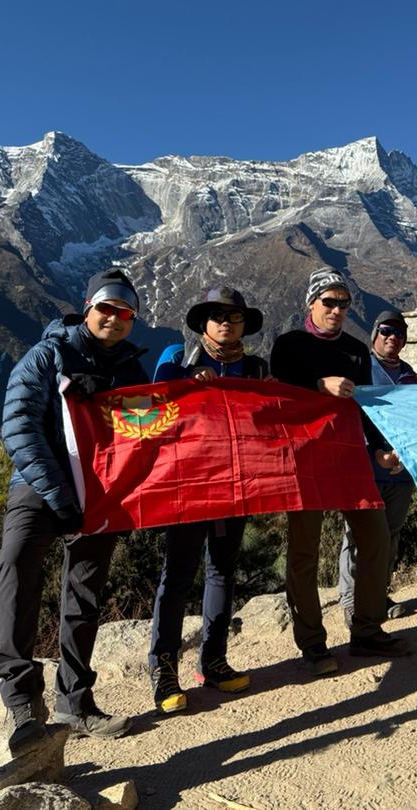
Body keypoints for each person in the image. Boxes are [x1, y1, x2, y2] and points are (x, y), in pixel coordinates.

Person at [0, 269, 148, 757]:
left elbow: (144, 436)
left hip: (100, 496)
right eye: (107, 308)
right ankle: (22, 706)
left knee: (84, 592)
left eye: (126, 312)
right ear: (87, 308)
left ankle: (75, 703)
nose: (115, 318)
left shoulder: (131, 371)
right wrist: (58, 493)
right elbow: (18, 427)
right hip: (39, 487)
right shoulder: (48, 355)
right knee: (17, 572)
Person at [269, 267, 409, 675]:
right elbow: (279, 395)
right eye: (328, 302)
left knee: (375, 536)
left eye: (343, 304)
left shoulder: (355, 349)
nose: (336, 310)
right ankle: (312, 643)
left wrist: (381, 447)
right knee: (304, 553)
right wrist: (319, 385)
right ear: (311, 303)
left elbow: (364, 403)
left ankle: (366, 630)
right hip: (304, 459)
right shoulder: (289, 344)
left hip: (348, 455)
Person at [147, 286, 269, 714]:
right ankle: (164, 671)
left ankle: (214, 660)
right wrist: (186, 383)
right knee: (177, 575)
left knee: (222, 571)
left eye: (234, 317)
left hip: (236, 484)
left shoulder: (256, 369)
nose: (226, 323)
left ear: (244, 325)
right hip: (189, 483)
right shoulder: (177, 357)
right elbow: (158, 396)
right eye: (217, 316)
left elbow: (272, 415)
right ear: (203, 323)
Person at [338, 309, 417, 626]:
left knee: (390, 535)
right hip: (363, 466)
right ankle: (350, 601)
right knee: (357, 536)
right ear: (375, 334)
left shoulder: (410, 375)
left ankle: (377, 594)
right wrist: (375, 452)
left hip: (400, 470)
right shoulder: (360, 368)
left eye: (399, 333)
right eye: (386, 331)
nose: (392, 338)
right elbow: (350, 414)